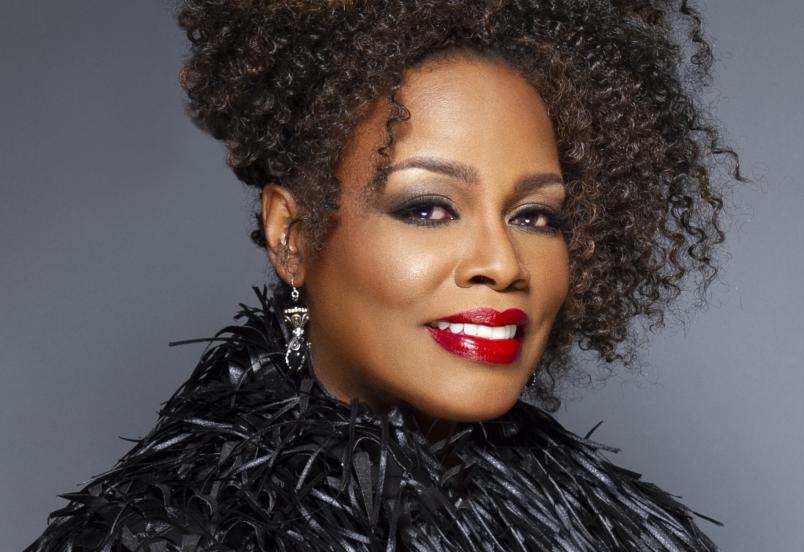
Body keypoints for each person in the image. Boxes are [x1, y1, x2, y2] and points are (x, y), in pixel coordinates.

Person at [27, 0, 742, 550]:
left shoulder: (618, 531)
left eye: (534, 216)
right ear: (292, 236)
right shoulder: (164, 535)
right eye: (428, 209)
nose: (501, 264)